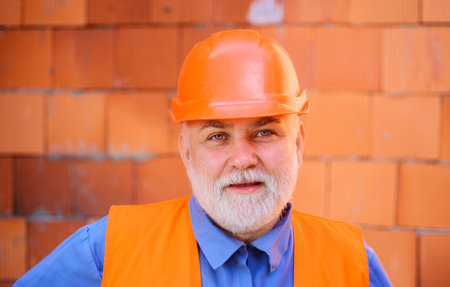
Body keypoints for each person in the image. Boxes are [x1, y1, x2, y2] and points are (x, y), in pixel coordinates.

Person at [14, 29, 391, 287]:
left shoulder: (353, 264)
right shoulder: (106, 252)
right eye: (217, 136)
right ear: (186, 151)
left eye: (264, 132)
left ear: (298, 144)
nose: (243, 158)